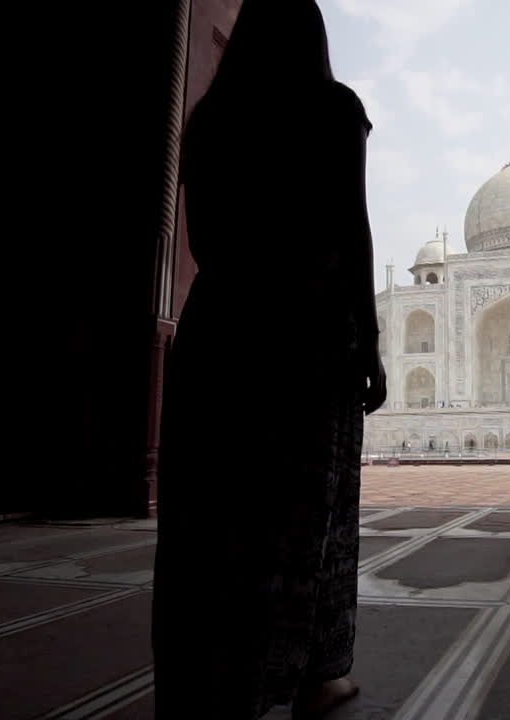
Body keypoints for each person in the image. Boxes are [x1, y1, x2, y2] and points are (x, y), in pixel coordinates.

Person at [151, 3, 385, 718]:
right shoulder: (331, 108)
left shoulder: (209, 121)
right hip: (306, 335)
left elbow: (201, 243)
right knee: (303, 517)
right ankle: (310, 676)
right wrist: (369, 342)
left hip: (220, 329)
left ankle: (199, 688)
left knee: (209, 515)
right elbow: (351, 228)